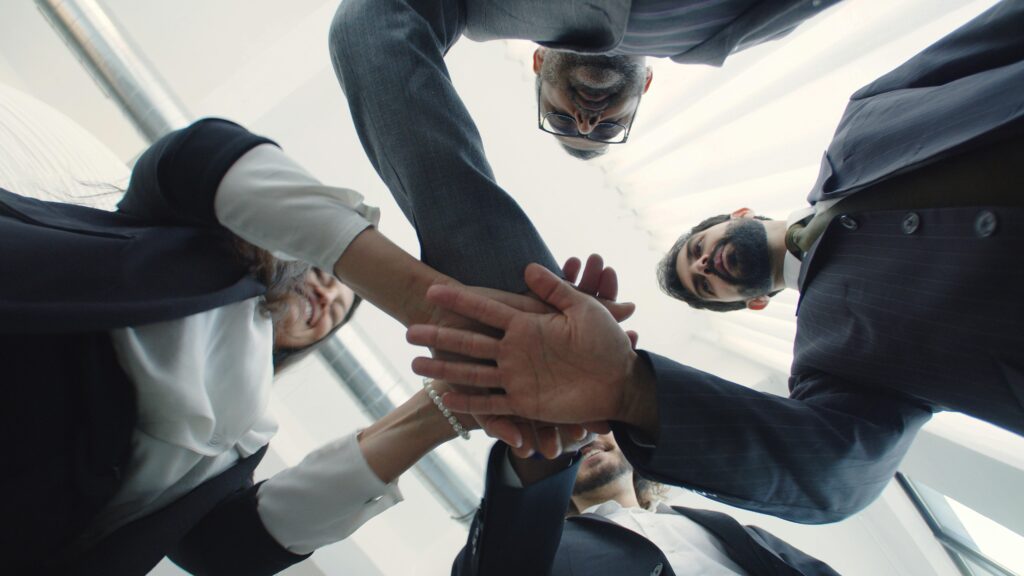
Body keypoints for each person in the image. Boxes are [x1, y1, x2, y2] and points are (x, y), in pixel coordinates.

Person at [403, 0, 1024, 523]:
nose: (706, 264)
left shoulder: (862, 121)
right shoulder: (830, 363)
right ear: (753, 303)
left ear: (739, 211)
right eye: (706, 283)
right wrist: (630, 390)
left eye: (696, 250)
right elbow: (839, 477)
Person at [0, 117, 535, 575]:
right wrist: (427, 300)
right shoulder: (173, 236)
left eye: (341, 310)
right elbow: (201, 153)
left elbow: (225, 551)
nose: (328, 296)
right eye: (327, 273)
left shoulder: (245, 439)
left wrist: (443, 409)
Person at [331, 0, 840, 160]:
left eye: (559, 119)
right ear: (644, 87)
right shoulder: (719, 38)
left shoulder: (478, 11)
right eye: (604, 130)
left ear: (536, 65)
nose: (586, 118)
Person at [454, 432, 839, 575]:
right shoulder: (543, 550)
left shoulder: (717, 525)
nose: (586, 437)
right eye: (574, 434)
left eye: (596, 427)